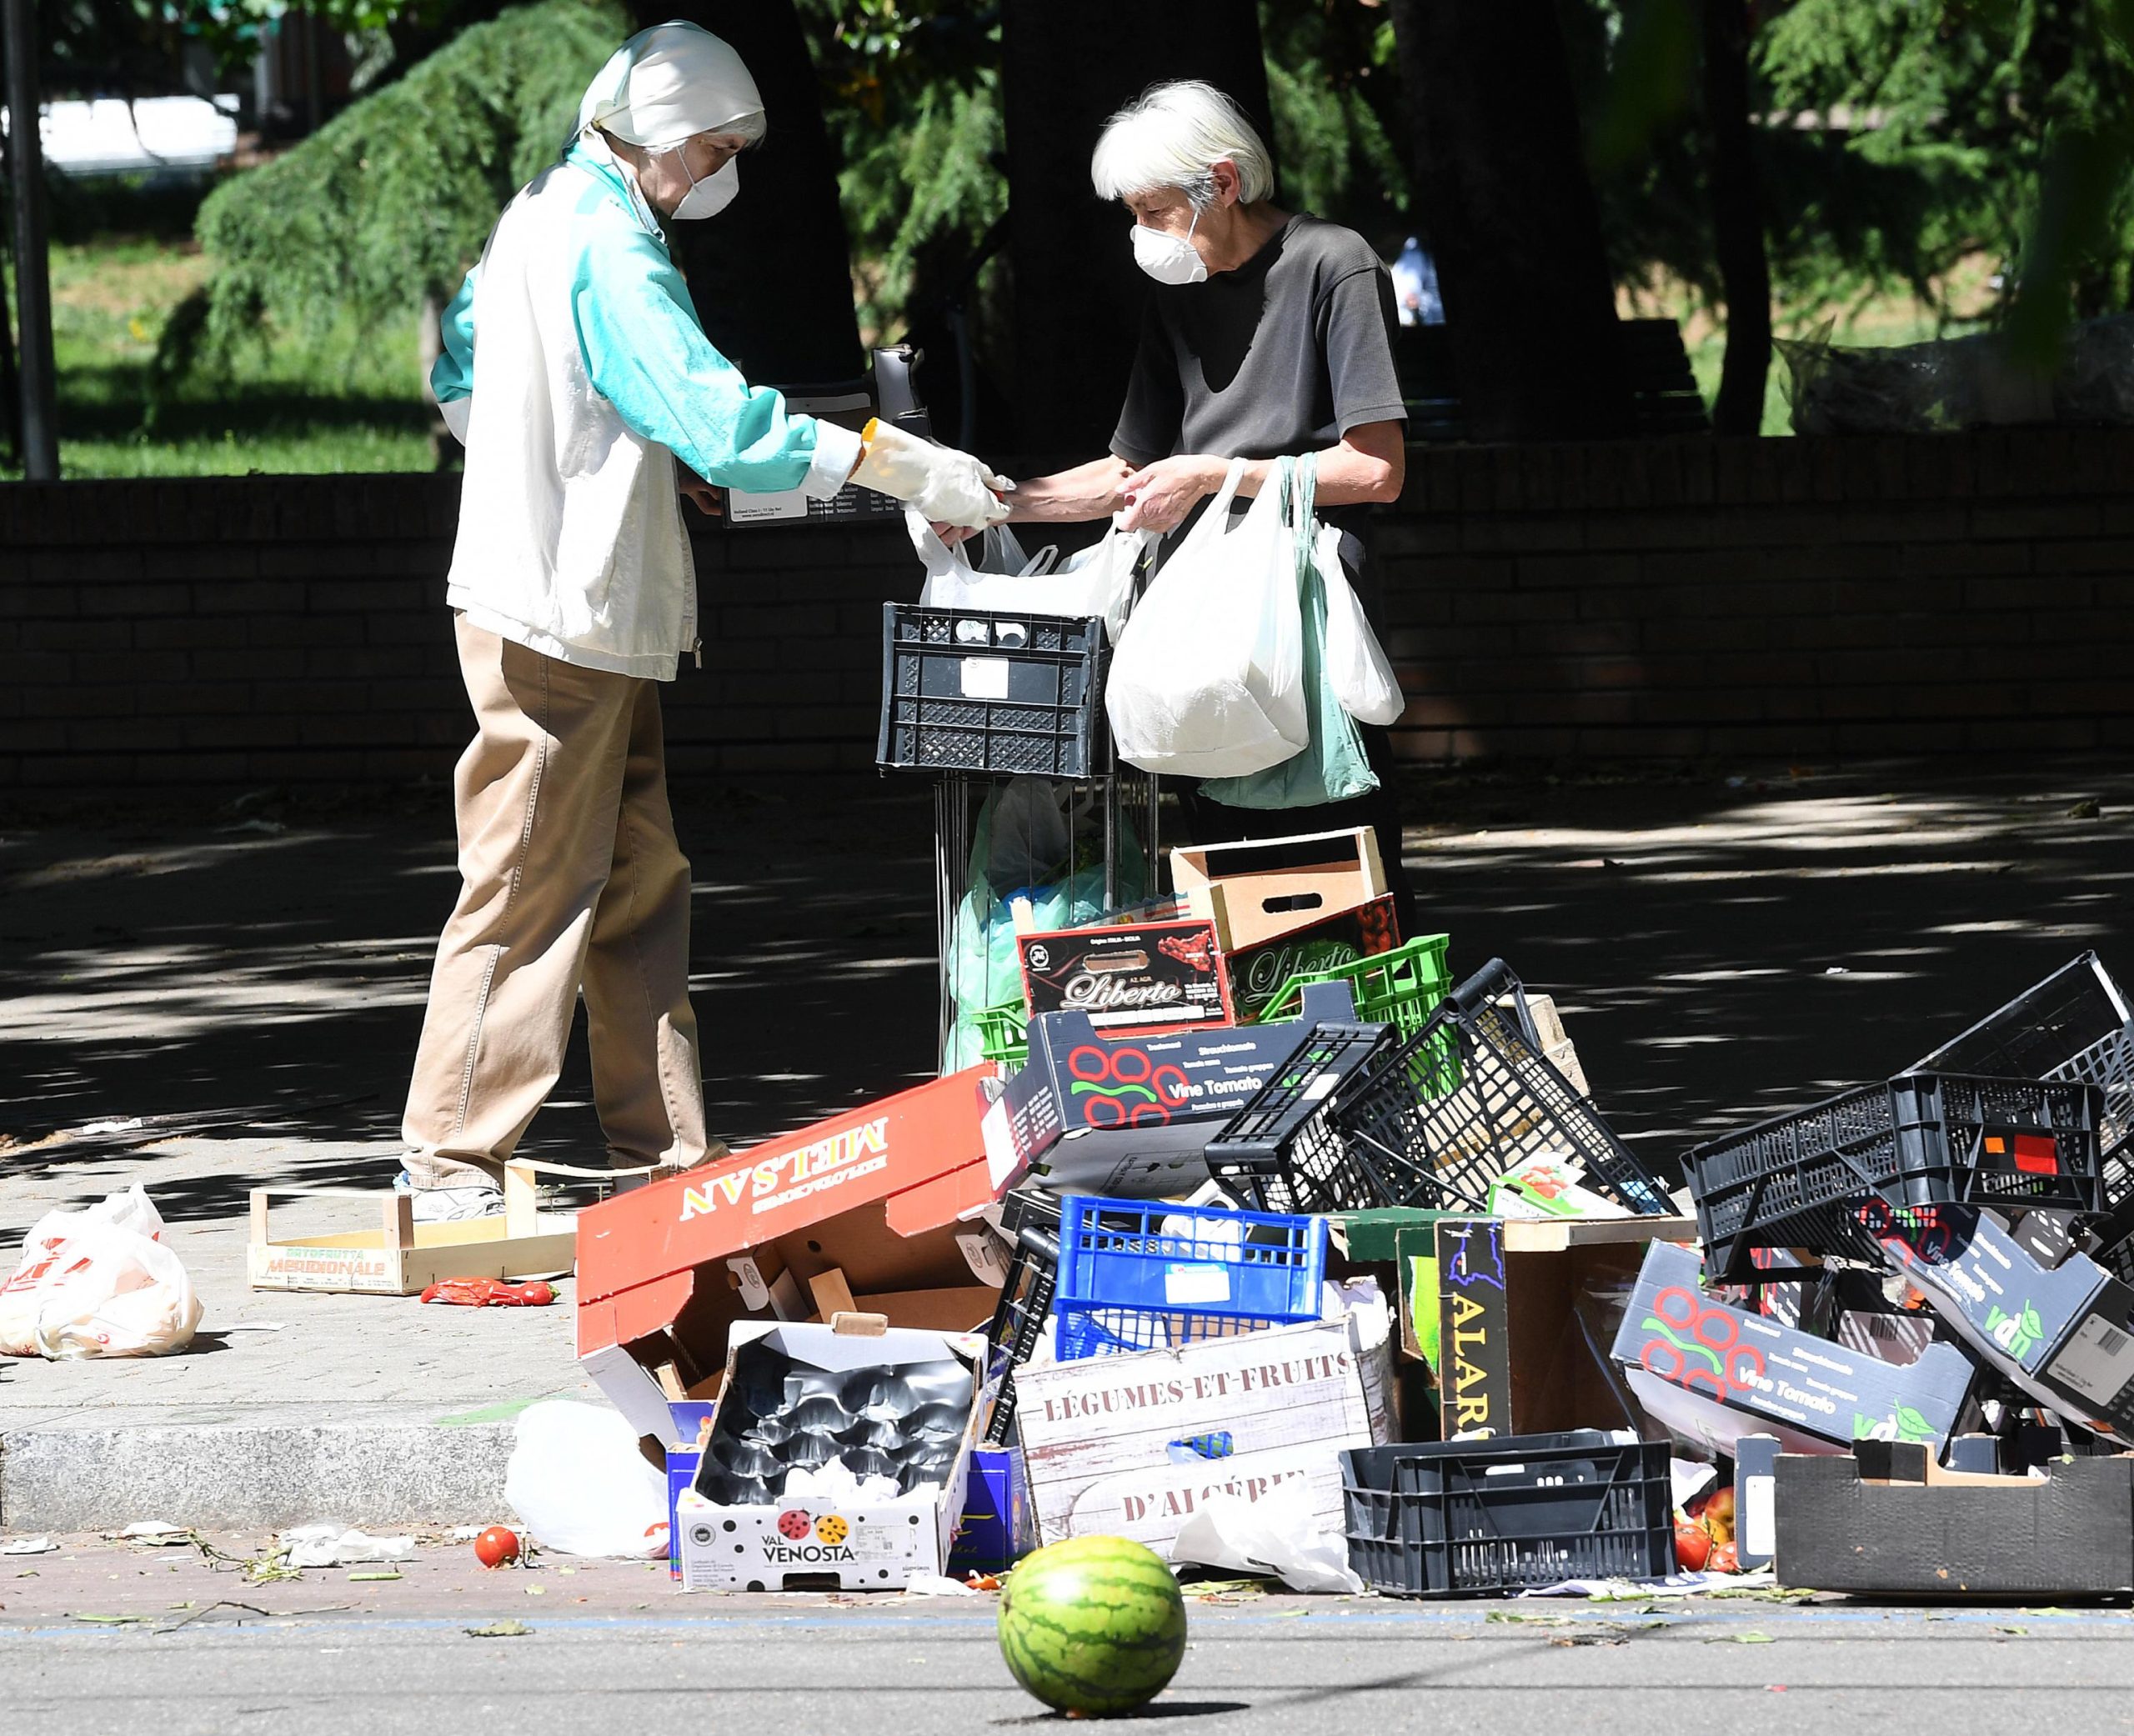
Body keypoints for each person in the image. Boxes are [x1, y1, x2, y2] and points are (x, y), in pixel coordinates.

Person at [403, 22, 1008, 1220]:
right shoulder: (612, 241)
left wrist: (607, 457)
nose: (718, 175)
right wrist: (904, 464)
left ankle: (667, 1161)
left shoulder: (538, 212)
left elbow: (467, 379)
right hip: (561, 613)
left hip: (573, 606)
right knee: (528, 888)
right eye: (714, 149)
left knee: (636, 885)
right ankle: (448, 1163)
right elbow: (722, 422)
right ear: (662, 131)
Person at [1001, 80, 1415, 929]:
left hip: (1303, 623)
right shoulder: (1179, 293)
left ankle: (1362, 1017)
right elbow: (1132, 469)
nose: (1142, 232)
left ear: (1222, 182)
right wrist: (998, 504)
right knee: (1224, 879)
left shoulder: (1334, 263)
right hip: (1198, 630)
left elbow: (1376, 470)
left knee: (1342, 877)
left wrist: (1210, 476)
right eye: (1133, 214)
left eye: (1154, 211)